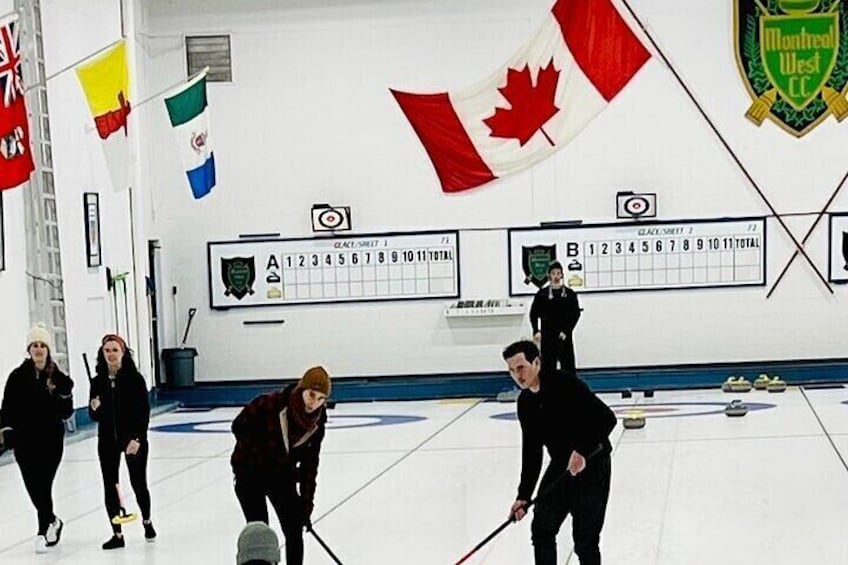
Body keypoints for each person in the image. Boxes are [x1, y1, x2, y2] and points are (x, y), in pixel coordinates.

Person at [502, 340, 616, 565]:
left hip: (593, 462)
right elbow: (532, 452)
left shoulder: (564, 383)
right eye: (512, 371)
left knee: (585, 540)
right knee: (542, 529)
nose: (517, 375)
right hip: (562, 465)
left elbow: (607, 419)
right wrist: (523, 495)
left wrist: (582, 451)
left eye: (521, 367)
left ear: (536, 362)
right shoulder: (525, 403)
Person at [231, 366, 331, 565]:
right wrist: (262, 457)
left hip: (281, 478)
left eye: (321, 399)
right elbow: (239, 426)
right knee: (260, 533)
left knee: (294, 530)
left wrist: (306, 504)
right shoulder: (270, 404)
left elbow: (310, 467)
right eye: (311, 395)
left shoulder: (316, 426)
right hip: (250, 475)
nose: (314, 403)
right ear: (302, 389)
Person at [0, 324, 74, 553]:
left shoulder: (57, 377)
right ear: (29, 349)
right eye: (35, 345)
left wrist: (63, 393)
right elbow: (7, 407)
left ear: (48, 349)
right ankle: (53, 519)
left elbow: (66, 411)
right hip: (25, 441)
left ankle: (42, 532)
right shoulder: (17, 376)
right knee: (34, 488)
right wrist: (6, 431)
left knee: (43, 485)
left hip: (51, 441)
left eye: (42, 345)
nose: (39, 349)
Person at [88, 334, 156, 549]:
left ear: (123, 352)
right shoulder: (98, 381)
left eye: (114, 350)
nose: (110, 354)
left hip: (132, 439)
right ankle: (117, 533)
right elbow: (94, 416)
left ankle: (147, 521)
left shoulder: (135, 379)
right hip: (107, 439)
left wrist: (138, 438)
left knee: (138, 483)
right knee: (110, 484)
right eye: (107, 350)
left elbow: (143, 412)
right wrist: (94, 408)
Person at [529, 261, 581, 374]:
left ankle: (570, 390)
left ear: (562, 275)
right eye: (553, 273)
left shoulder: (570, 294)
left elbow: (576, 314)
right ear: (549, 276)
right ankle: (548, 390)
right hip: (547, 336)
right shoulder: (541, 295)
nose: (556, 276)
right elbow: (533, 314)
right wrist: (536, 331)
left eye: (558, 273)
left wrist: (567, 330)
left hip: (564, 336)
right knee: (547, 367)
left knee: (568, 367)